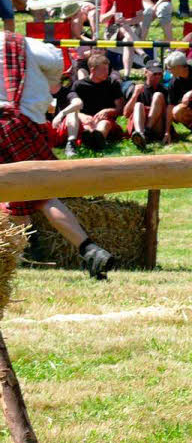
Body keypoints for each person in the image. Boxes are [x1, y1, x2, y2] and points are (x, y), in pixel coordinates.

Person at [0, 31, 118, 279]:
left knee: (15, 195)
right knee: (41, 194)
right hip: (19, 122)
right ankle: (89, 250)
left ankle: (18, 256)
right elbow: (55, 61)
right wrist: (47, 81)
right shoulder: (18, 42)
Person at [67, 52, 125, 152]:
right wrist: (82, 116)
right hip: (86, 121)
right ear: (92, 70)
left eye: (107, 69)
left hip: (107, 121)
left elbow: (120, 109)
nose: (107, 72)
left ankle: (97, 140)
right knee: (87, 126)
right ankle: (91, 139)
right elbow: (71, 109)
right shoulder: (79, 85)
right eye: (104, 69)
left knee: (104, 124)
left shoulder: (113, 83)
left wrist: (108, 111)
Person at [124, 60, 169, 150]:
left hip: (158, 126)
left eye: (159, 74)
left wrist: (168, 132)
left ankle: (145, 133)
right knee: (138, 105)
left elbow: (168, 115)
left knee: (158, 95)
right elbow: (126, 114)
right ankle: (140, 135)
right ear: (146, 72)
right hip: (140, 124)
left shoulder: (165, 90)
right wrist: (135, 95)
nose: (157, 76)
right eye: (154, 73)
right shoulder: (138, 88)